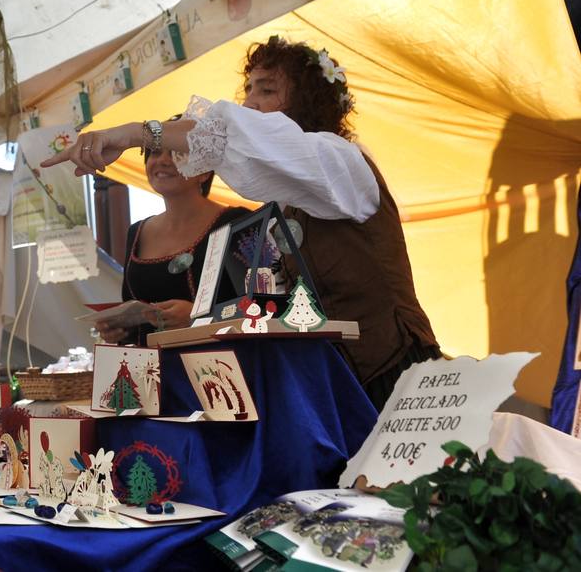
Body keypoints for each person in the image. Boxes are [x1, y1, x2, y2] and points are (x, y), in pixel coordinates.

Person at [46, 35, 439, 409]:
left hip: (393, 372)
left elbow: (238, 135)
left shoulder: (342, 164)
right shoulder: (282, 206)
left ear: (308, 100)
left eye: (266, 90)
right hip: (334, 381)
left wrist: (136, 133)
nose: (250, 103)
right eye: (248, 90)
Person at [97, 134, 251, 345]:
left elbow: (266, 303)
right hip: (154, 370)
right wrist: (121, 329)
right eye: (155, 152)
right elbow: (137, 313)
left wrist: (200, 318)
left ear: (204, 171)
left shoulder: (238, 222)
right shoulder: (137, 232)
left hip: (222, 368)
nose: (162, 160)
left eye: (177, 153)